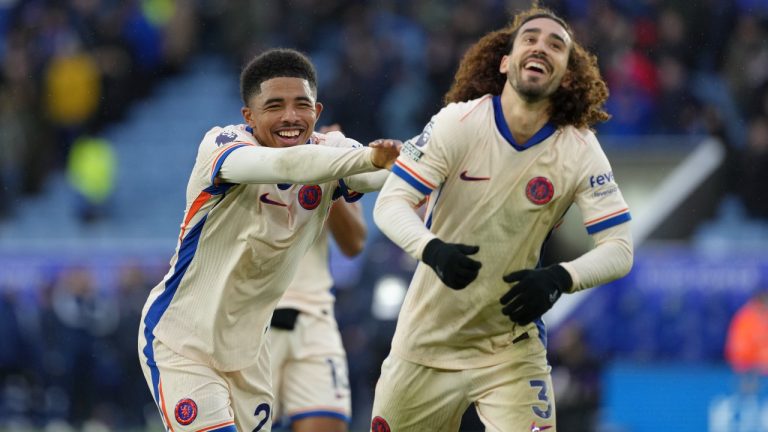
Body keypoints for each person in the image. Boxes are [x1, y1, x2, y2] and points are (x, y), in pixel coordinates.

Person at [370, 5, 634, 431]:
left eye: (556, 45)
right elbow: (391, 202)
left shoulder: (580, 150)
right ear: (506, 61)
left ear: (567, 75)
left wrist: (557, 279)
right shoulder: (458, 122)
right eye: (529, 38)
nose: (541, 47)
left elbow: (620, 250)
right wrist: (431, 249)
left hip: (510, 347)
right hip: (423, 345)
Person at [138, 48, 398, 432]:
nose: (290, 117)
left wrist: (419, 161)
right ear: (249, 116)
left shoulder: (332, 152)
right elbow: (285, 165)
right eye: (274, 106)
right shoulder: (221, 147)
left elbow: (390, 179)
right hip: (183, 342)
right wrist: (369, 159)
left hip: (251, 352)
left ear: (318, 111)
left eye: (301, 105)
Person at [271, 196, 364, 432]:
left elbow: (354, 243)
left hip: (314, 312)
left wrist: (327, 181)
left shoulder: (331, 159)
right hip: (248, 317)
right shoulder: (239, 158)